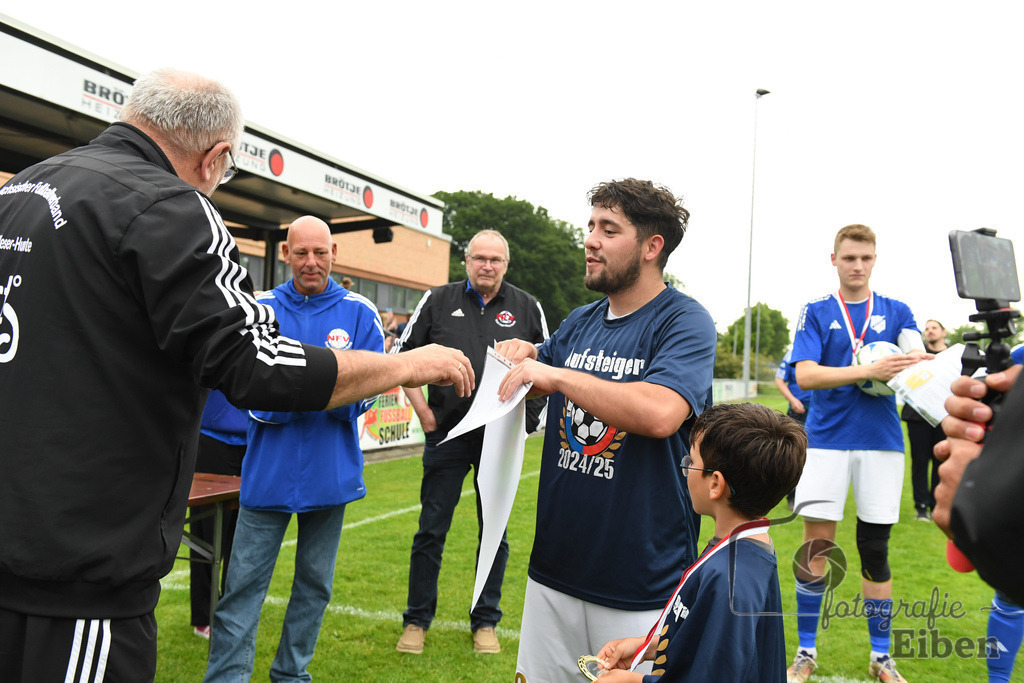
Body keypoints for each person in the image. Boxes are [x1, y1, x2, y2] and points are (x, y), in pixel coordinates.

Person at [0, 68, 472, 681]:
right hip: (77, 572)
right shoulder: (169, 207)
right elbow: (258, 366)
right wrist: (407, 364)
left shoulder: (23, 189)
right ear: (215, 156)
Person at [495, 178, 717, 681]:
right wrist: (523, 356)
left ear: (651, 247)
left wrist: (556, 374)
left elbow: (661, 413)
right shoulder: (580, 321)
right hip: (554, 567)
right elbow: (537, 375)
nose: (590, 240)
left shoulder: (685, 321)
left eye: (609, 230)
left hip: (640, 580)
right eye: (591, 225)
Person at [204, 216, 383, 680]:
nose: (311, 262)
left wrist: (303, 393)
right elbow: (245, 386)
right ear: (285, 254)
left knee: (314, 586)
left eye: (320, 252)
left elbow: (371, 387)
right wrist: (322, 392)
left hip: (331, 474)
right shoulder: (259, 307)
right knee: (241, 586)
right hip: (267, 473)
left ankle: (291, 674)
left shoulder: (361, 312)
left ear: (334, 253)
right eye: (301, 253)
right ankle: (226, 677)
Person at [392, 229, 548, 655]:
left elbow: (547, 366)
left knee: (494, 531)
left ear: (506, 264)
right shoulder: (437, 299)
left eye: (495, 259)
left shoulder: (527, 306)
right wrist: (425, 415)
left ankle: (485, 622)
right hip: (446, 435)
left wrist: (527, 422)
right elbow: (403, 357)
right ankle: (416, 620)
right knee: (430, 529)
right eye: (480, 258)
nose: (487, 266)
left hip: (500, 440)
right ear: (466, 260)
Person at [785, 224, 928, 683]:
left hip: (881, 443)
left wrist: (915, 362)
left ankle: (881, 657)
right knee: (816, 546)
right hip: (825, 441)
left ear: (875, 260)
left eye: (865, 258)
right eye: (849, 258)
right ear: (834, 260)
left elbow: (916, 359)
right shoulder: (817, 311)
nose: (858, 266)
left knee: (875, 549)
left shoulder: (897, 311)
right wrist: (867, 370)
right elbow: (805, 376)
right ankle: (806, 651)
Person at [593, 403, 806, 682]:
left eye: (692, 462)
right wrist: (648, 647)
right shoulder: (742, 548)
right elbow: (707, 642)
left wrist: (633, 681)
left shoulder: (731, 580)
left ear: (715, 484)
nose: (687, 469)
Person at [190, 390, 249, 639]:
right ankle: (203, 616)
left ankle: (231, 612)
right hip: (212, 439)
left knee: (243, 536)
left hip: (252, 439)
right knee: (206, 534)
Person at [900, 319, 948, 521]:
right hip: (917, 415)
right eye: (926, 329)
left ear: (943, 332)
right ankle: (921, 506)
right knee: (919, 461)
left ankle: (936, 504)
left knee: (941, 460)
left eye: (934, 327)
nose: (929, 331)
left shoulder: (951, 357)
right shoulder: (916, 356)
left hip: (944, 416)